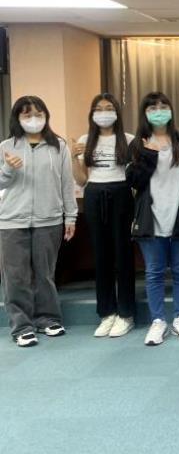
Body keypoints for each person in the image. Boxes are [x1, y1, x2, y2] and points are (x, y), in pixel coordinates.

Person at [126, 92, 179, 346]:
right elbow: (134, 181)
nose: (159, 111)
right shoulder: (138, 144)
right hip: (151, 219)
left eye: (163, 106)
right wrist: (149, 155)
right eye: (152, 107)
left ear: (171, 110)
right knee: (154, 272)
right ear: (144, 113)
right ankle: (158, 320)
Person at [0, 96, 77, 347]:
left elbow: (67, 184)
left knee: (45, 274)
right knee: (16, 277)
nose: (33, 119)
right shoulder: (6, 146)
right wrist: (8, 168)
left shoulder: (59, 146)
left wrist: (71, 216)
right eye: (27, 114)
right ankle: (22, 326)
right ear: (17, 118)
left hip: (49, 219)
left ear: (45, 116)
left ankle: (48, 319)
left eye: (38, 113)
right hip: (12, 221)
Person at [71, 93, 136, 338]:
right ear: (92, 114)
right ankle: (107, 313)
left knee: (123, 255)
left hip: (121, 193)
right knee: (101, 255)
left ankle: (126, 314)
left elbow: (135, 176)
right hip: (94, 194)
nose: (104, 112)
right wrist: (73, 156)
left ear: (117, 112)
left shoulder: (128, 139)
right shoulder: (85, 139)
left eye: (109, 108)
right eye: (98, 109)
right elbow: (81, 179)